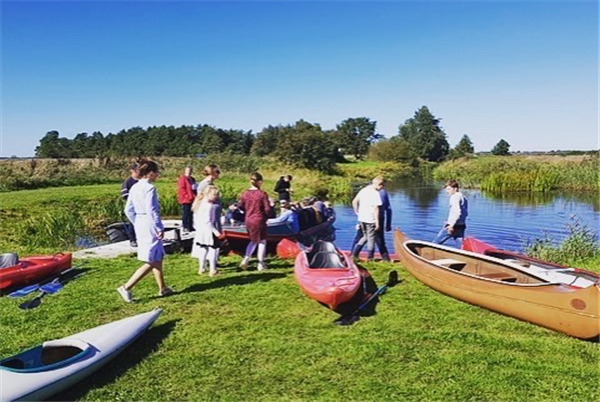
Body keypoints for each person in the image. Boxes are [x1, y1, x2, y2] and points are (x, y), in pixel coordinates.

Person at [117, 159, 173, 303]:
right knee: (152, 259)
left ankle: (163, 288)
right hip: (149, 223)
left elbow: (128, 209)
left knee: (157, 256)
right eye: (157, 173)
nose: (158, 176)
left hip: (140, 222)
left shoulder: (135, 187)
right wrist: (159, 227)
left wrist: (137, 222)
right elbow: (152, 210)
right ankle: (127, 287)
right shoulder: (149, 188)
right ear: (150, 173)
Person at [238, 172, 274, 271]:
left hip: (248, 219)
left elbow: (241, 206)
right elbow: (267, 209)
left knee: (253, 240)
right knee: (262, 241)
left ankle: (246, 258)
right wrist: (271, 207)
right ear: (260, 182)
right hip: (259, 219)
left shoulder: (245, 193)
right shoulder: (262, 194)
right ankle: (260, 263)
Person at [351, 181, 392, 261]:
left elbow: (354, 202)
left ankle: (353, 255)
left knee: (361, 237)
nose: (382, 188)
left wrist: (357, 214)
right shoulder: (379, 193)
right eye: (382, 186)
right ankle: (375, 259)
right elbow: (381, 209)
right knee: (376, 240)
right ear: (380, 184)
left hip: (363, 218)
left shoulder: (363, 190)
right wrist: (386, 224)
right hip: (374, 218)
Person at [191, 185, 224, 277]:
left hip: (201, 231)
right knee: (213, 249)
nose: (216, 196)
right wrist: (217, 233)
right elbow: (208, 221)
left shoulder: (200, 203)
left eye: (217, 194)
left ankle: (202, 268)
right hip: (210, 231)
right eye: (214, 194)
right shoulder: (209, 206)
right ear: (207, 194)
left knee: (203, 248)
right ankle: (213, 270)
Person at [433, 179, 469, 247]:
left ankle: (425, 255)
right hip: (461, 225)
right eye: (447, 189)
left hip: (453, 226)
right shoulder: (464, 197)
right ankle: (461, 257)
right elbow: (465, 213)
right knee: (460, 247)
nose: (447, 192)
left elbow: (457, 212)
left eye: (449, 189)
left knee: (435, 244)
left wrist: (451, 225)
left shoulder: (454, 197)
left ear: (455, 189)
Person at [120, 162, 140, 247]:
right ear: (132, 171)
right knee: (132, 223)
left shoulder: (141, 181)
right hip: (133, 206)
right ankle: (132, 240)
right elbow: (124, 195)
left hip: (141, 206)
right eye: (138, 170)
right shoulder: (128, 182)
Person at [177, 166, 197, 233]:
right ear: (185, 171)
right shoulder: (182, 179)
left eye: (190, 170)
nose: (189, 171)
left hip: (192, 198)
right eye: (188, 170)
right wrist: (187, 196)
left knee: (191, 213)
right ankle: (185, 226)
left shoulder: (192, 179)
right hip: (185, 199)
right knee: (186, 213)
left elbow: (194, 188)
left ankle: (190, 226)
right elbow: (182, 189)